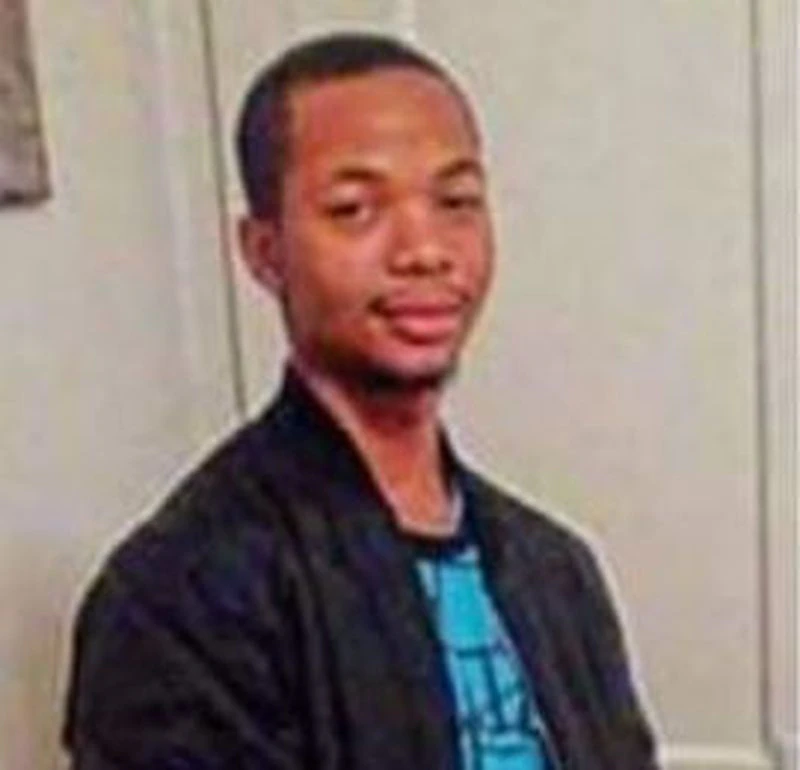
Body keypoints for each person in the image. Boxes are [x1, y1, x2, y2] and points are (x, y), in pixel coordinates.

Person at [63, 32, 659, 770]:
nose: (425, 251)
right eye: (354, 209)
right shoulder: (182, 594)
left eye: (456, 202)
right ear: (264, 251)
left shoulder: (555, 570)